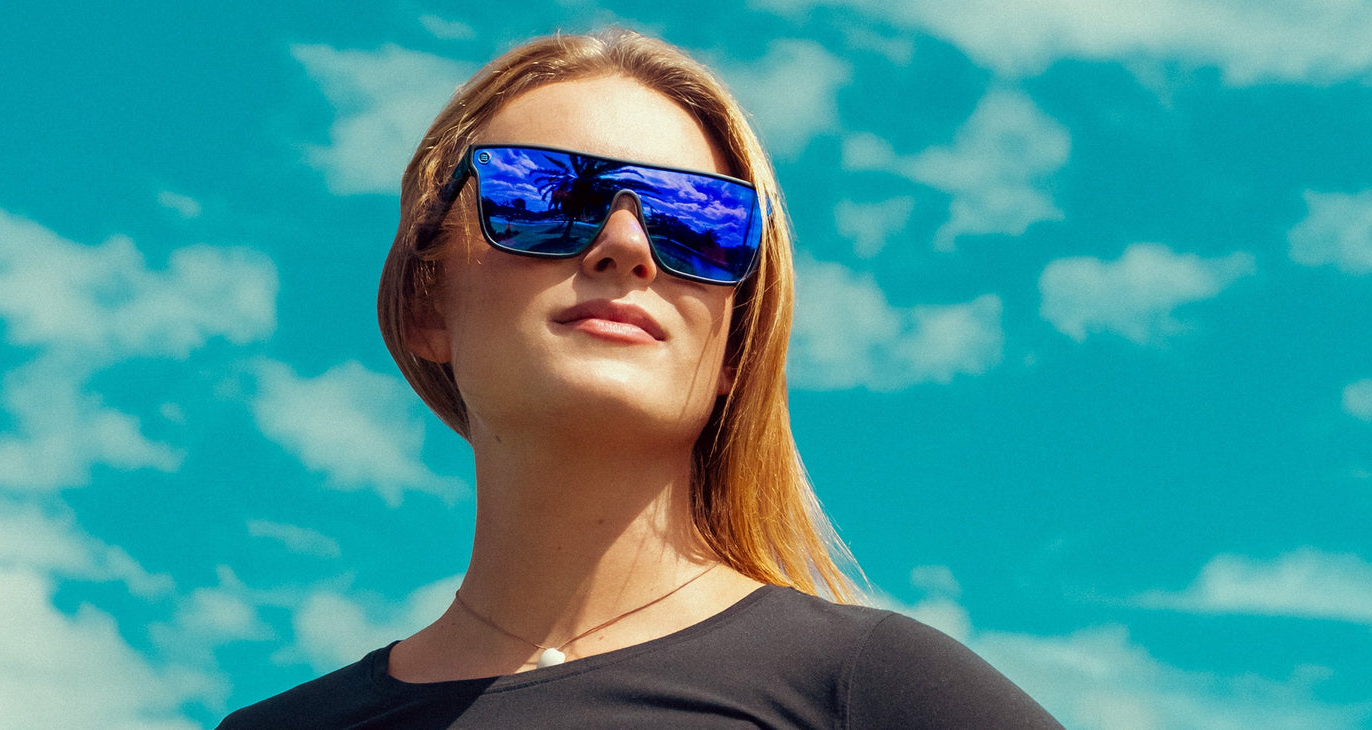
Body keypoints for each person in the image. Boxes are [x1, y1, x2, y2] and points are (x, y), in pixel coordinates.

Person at [219, 28, 1060, 729]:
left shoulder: (871, 691)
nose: (627, 245)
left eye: (699, 220)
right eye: (542, 195)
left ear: (737, 347)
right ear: (425, 303)